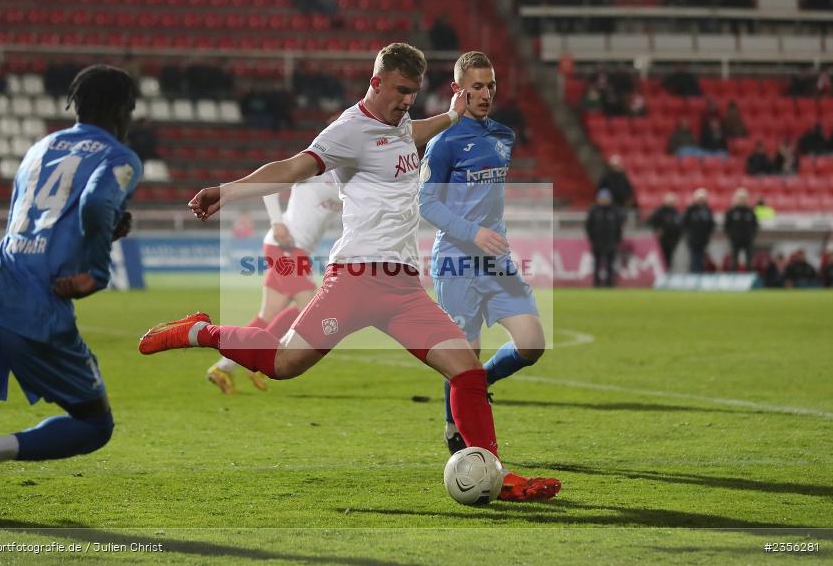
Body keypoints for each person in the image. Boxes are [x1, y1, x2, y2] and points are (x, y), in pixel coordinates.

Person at [138, 43, 560, 502]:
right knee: (284, 364)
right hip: (356, 278)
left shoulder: (400, 122)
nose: (405, 101)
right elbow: (293, 167)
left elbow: (413, 131)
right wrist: (228, 191)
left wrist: (451, 117)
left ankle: (493, 474)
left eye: (413, 93)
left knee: (468, 372)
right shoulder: (348, 130)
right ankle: (201, 332)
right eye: (399, 90)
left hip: (403, 289)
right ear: (376, 82)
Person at [0, 65, 141, 507]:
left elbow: (33, 220)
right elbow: (95, 201)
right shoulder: (119, 156)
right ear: (124, 110)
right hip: (36, 305)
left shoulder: (40, 148)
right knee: (94, 424)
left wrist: (101, 229)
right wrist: (97, 270)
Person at [418, 51, 545, 454]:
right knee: (463, 355)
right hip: (457, 260)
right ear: (458, 90)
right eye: (476, 86)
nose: (486, 93)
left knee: (532, 343)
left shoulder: (504, 136)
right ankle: (456, 430)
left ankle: (481, 383)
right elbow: (426, 203)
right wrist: (472, 232)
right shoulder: (443, 143)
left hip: (497, 260)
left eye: (490, 85)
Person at [206, 175, 342, 395]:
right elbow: (269, 185)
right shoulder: (318, 170)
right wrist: (277, 223)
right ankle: (261, 359)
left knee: (267, 316)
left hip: (297, 251)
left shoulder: (349, 178)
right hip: (286, 247)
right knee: (309, 309)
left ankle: (223, 367)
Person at [585, 188, 624, 287]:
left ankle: (609, 283)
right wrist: (592, 239)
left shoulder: (615, 210)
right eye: (602, 198)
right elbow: (588, 226)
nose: (604, 200)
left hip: (611, 243)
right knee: (597, 264)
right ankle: (596, 283)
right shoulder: (594, 210)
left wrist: (617, 240)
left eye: (606, 198)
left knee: (610, 265)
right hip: (597, 242)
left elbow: (619, 226)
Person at [724, 188, 758, 271]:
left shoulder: (750, 211)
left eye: (744, 198)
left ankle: (748, 276)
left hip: (748, 239)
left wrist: (752, 235)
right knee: (734, 259)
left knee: (749, 258)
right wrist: (731, 235)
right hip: (735, 239)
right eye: (740, 198)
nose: (742, 200)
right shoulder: (731, 211)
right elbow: (726, 225)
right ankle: (733, 276)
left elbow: (755, 225)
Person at [683, 188, 715, 273]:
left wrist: (708, 234)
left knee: (701, 258)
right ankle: (693, 275)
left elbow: (711, 224)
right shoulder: (691, 209)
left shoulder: (708, 210)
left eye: (703, 198)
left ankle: (700, 275)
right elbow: (685, 223)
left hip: (703, 239)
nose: (701, 200)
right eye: (699, 198)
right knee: (693, 258)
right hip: (693, 238)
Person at [647, 192, 681, 269]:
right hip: (663, 239)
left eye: (673, 201)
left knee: (669, 257)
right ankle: (663, 272)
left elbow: (679, 224)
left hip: (673, 239)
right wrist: (657, 229)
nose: (672, 203)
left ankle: (667, 272)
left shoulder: (675, 212)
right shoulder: (660, 211)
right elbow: (651, 221)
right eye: (670, 201)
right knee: (662, 257)